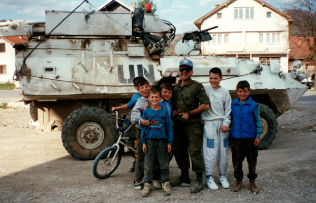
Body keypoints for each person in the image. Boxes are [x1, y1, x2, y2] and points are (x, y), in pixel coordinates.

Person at [171, 59, 210, 193]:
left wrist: (190, 113)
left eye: (187, 70)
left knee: (194, 151)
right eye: (182, 69)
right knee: (179, 151)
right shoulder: (174, 87)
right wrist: (173, 111)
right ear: (179, 71)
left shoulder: (197, 86)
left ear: (191, 72)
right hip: (178, 125)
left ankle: (199, 178)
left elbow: (205, 105)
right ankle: (184, 177)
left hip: (193, 125)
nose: (184, 72)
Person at [202, 68, 231, 190]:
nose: (213, 80)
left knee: (222, 150)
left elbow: (228, 110)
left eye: (215, 78)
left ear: (221, 78)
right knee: (209, 151)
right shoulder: (205, 89)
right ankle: (209, 177)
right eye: (211, 78)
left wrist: (226, 123)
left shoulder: (225, 92)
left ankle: (222, 175)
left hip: (222, 126)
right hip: (209, 125)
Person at [140, 89, 173, 197]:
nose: (154, 99)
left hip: (162, 142)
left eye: (156, 97)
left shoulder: (164, 112)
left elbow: (169, 128)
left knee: (163, 164)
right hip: (149, 142)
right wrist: (143, 142)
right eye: (152, 97)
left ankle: (165, 183)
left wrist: (169, 142)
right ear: (148, 99)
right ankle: (147, 184)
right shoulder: (145, 112)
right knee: (148, 165)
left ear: (160, 98)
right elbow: (143, 128)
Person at [230, 80, 261, 193]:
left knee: (252, 160)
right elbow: (228, 118)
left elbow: (258, 121)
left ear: (249, 92)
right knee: (236, 161)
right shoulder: (233, 104)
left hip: (250, 138)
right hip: (236, 137)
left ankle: (252, 180)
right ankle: (238, 180)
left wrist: (258, 136)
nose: (242, 94)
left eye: (245, 91)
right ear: (236, 92)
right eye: (240, 91)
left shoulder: (253, 105)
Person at [111, 76, 144, 173]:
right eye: (139, 87)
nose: (142, 89)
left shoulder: (150, 96)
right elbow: (128, 105)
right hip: (136, 124)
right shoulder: (135, 97)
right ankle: (135, 162)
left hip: (146, 124)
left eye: (143, 86)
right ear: (136, 88)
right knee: (134, 144)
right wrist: (117, 108)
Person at [151, 82, 173, 190]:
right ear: (161, 93)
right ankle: (155, 177)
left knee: (167, 155)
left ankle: (163, 177)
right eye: (165, 92)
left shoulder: (171, 101)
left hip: (168, 131)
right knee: (155, 156)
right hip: (158, 131)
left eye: (169, 92)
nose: (167, 94)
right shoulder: (159, 102)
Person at [131, 78, 151, 190]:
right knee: (141, 155)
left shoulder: (155, 98)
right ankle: (138, 180)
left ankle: (152, 178)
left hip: (154, 131)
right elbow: (134, 117)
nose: (145, 89)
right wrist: (141, 120)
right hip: (142, 131)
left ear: (150, 87)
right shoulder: (140, 102)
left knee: (153, 155)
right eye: (142, 87)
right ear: (138, 91)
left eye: (146, 86)